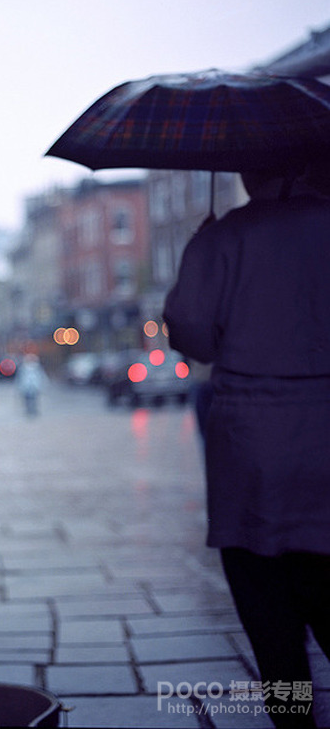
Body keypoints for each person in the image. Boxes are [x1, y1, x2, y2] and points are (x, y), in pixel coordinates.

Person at [163, 164, 330, 729]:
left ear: (254, 171)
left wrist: (201, 253)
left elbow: (193, 337)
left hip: (253, 445)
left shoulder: (225, 235)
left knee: (269, 611)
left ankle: (295, 720)